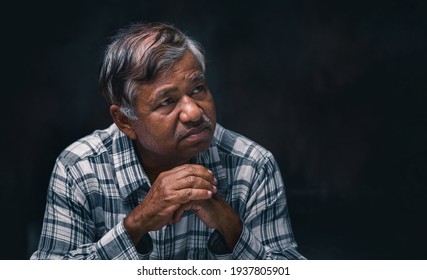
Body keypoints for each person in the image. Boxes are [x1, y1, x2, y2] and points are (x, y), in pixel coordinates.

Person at [31, 22, 305, 260]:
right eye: (167, 101)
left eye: (198, 89)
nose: (194, 112)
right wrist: (136, 225)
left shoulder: (252, 165)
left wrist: (231, 226)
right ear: (125, 121)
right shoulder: (79, 169)